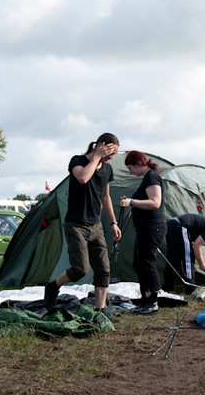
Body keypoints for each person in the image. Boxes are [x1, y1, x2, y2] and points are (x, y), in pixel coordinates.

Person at [44, 133, 122, 316]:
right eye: (110, 151)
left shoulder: (108, 169)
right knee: (80, 269)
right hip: (75, 224)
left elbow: (106, 197)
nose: (112, 157)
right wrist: (96, 156)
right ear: (101, 145)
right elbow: (83, 178)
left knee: (104, 269)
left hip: (96, 226)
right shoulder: (77, 161)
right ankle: (52, 287)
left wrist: (113, 222)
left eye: (114, 154)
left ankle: (100, 310)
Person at [119, 151, 165, 315]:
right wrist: (136, 208)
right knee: (139, 263)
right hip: (145, 226)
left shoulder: (152, 177)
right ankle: (145, 300)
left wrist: (132, 202)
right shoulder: (147, 178)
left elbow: (155, 202)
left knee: (147, 262)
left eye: (130, 168)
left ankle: (152, 302)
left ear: (138, 164)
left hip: (152, 226)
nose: (130, 172)